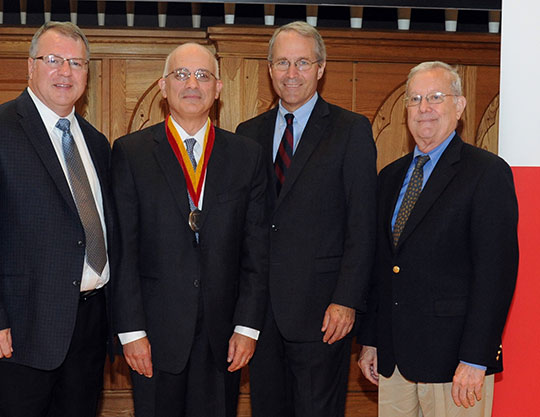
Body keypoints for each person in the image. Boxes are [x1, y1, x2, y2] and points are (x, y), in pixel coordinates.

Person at [0, 21, 115, 417]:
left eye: (76, 63)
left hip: (88, 329)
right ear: (30, 66)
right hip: (18, 332)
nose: (65, 72)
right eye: (53, 60)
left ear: (87, 74)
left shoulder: (97, 143)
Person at [111, 42, 268, 417]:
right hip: (154, 336)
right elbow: (122, 250)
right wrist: (132, 333)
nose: (192, 84)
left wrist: (247, 327)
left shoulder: (246, 155)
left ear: (218, 89)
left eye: (203, 75)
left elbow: (257, 249)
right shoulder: (131, 153)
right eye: (181, 74)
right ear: (163, 86)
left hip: (224, 335)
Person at [357, 61, 518, 417]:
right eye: (414, 99)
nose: (424, 108)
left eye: (435, 97)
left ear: (459, 106)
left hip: (455, 366)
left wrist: (476, 358)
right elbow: (381, 267)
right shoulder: (390, 177)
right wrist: (371, 339)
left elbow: (496, 275)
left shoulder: (487, 173)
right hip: (394, 362)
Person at [236, 21, 377, 417]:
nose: (291, 73)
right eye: (282, 62)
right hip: (261, 316)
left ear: (320, 67)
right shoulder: (248, 134)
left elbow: (362, 224)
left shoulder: (351, 130)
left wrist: (346, 300)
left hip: (322, 314)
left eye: (302, 62)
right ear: (269, 69)